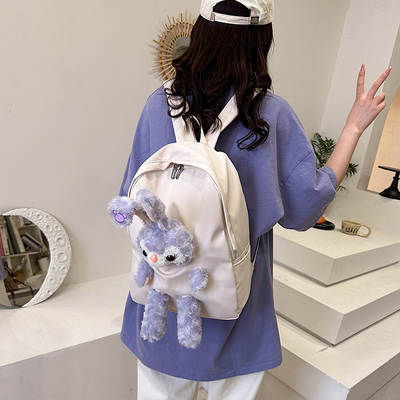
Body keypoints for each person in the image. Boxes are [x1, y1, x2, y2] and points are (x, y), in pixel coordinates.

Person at [117, 1, 392, 398]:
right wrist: (352, 128)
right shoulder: (268, 116)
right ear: (261, 39)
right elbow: (304, 210)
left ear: (201, 30)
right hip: (236, 312)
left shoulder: (159, 105)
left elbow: (131, 200)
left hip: (160, 304)